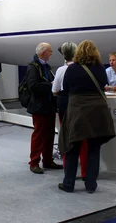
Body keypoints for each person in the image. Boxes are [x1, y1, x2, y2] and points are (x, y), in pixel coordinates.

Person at [59, 40, 115, 194]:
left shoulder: (72, 69)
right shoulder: (100, 69)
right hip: (97, 111)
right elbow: (104, 84)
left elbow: (66, 88)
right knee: (94, 149)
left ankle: (68, 183)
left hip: (78, 111)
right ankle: (91, 184)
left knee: (73, 148)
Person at [52, 41, 87, 180]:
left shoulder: (61, 70)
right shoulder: (84, 68)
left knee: (66, 139)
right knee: (84, 140)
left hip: (65, 104)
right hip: (80, 104)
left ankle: (68, 172)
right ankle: (85, 172)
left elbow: (54, 90)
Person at [26, 42, 62, 174]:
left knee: (49, 134)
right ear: (44, 52)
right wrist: (50, 84)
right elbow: (33, 87)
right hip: (39, 106)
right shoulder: (33, 67)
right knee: (39, 134)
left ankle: (47, 160)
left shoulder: (46, 66)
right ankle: (34, 162)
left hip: (49, 105)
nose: (52, 54)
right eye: (50, 52)